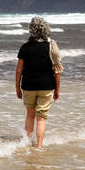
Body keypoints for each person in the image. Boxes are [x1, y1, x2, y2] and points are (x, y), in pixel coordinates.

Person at [15, 16, 62, 148]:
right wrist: (57, 90)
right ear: (45, 30)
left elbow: (19, 71)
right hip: (47, 86)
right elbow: (57, 71)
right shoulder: (51, 47)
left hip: (28, 86)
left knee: (30, 114)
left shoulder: (25, 47)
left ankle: (27, 142)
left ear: (31, 30)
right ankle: (39, 146)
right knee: (41, 118)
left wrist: (17, 87)